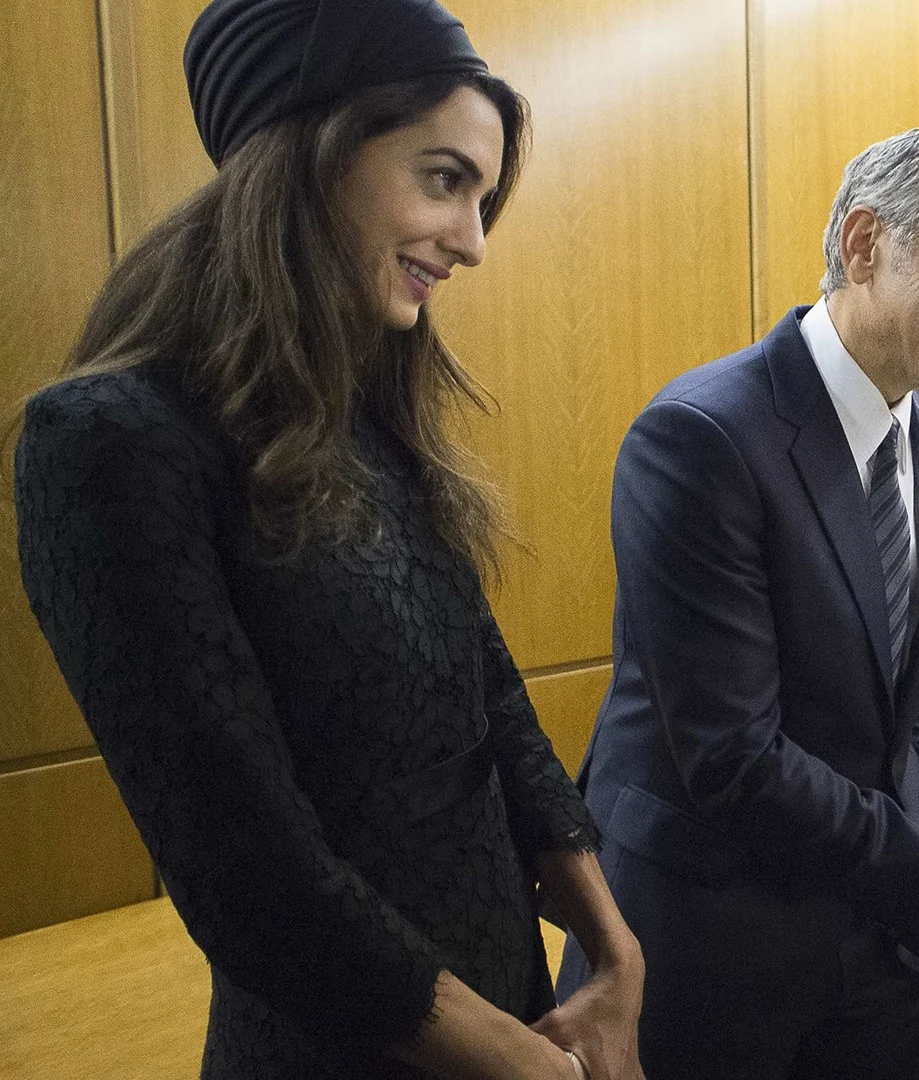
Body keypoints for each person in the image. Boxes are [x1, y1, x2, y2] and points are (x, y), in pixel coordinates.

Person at [10, 2, 644, 1078]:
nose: (474, 242)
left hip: (515, 1016)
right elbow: (241, 867)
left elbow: (485, 696)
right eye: (445, 180)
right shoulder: (108, 441)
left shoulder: (365, 402)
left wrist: (613, 954)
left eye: (483, 197)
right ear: (310, 157)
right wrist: (509, 1058)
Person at [557, 128, 919, 1080]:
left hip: (877, 949)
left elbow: (903, 724)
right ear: (864, 244)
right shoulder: (700, 439)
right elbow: (736, 761)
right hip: (715, 955)